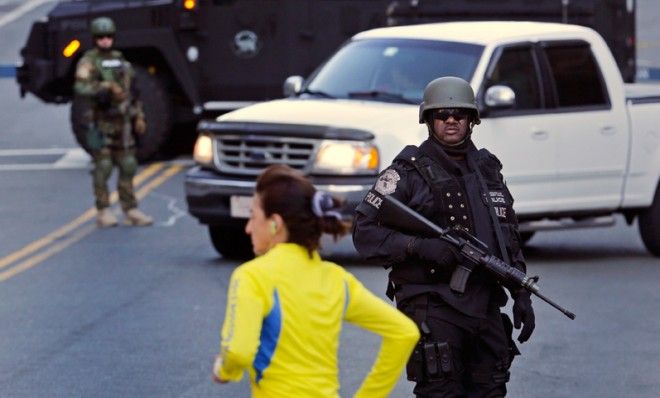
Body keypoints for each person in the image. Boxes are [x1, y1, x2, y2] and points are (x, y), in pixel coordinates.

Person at [352, 76, 535, 397]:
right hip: (433, 304)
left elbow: (509, 235)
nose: (451, 120)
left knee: (491, 389)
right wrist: (420, 246)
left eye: (459, 114)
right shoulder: (406, 172)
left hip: (485, 305)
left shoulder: (489, 170)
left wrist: (520, 290)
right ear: (428, 120)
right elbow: (364, 233)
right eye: (442, 115)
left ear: (472, 121)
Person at [212, 164, 420, 398]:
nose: (248, 228)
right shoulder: (336, 279)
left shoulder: (252, 276)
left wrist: (225, 369)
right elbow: (404, 332)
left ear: (275, 223)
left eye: (253, 216)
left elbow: (238, 352)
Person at [74, 16, 152, 227]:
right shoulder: (89, 61)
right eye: (101, 37)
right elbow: (81, 88)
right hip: (101, 122)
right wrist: (105, 88)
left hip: (124, 121)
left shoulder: (120, 60)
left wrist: (139, 115)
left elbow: (132, 91)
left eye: (109, 37)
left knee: (128, 164)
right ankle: (103, 210)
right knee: (104, 166)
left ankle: (130, 209)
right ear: (94, 39)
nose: (105, 41)